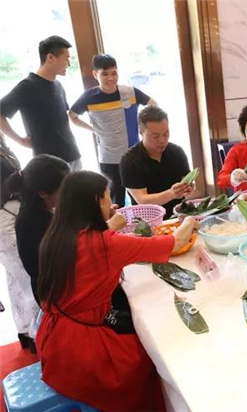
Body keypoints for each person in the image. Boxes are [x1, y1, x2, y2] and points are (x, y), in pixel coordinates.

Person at [36, 171, 197, 411]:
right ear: (95, 202)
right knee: (151, 355)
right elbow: (176, 241)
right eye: (107, 197)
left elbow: (91, 246)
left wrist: (109, 222)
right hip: (83, 352)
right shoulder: (106, 243)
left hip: (54, 339)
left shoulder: (57, 235)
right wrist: (190, 219)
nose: (110, 203)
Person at [69, 54, 157, 207]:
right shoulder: (89, 97)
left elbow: (153, 105)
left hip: (133, 153)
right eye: (105, 74)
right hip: (108, 156)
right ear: (95, 74)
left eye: (114, 73)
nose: (110, 78)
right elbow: (72, 116)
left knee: (141, 198)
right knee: (115, 201)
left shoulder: (129, 92)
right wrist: (94, 130)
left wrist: (143, 128)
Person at [0, 36, 82, 170]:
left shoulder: (58, 85)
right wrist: (20, 140)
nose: (68, 64)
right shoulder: (27, 86)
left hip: (73, 155)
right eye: (66, 58)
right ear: (50, 57)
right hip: (49, 164)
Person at [14, 155, 71, 304]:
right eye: (64, 188)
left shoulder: (44, 207)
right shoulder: (31, 222)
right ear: (43, 193)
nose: (69, 192)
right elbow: (63, 258)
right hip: (55, 293)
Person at [0, 135, 39, 351]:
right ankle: (36, 333)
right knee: (28, 277)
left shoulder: (2, 144)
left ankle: (26, 330)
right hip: (5, 220)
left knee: (16, 279)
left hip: (11, 215)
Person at [120, 106, 193, 218]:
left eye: (166, 134)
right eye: (155, 136)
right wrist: (171, 194)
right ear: (141, 132)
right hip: (148, 220)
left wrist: (188, 188)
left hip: (178, 214)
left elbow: (186, 182)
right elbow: (142, 200)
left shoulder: (177, 152)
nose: (162, 140)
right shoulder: (129, 160)